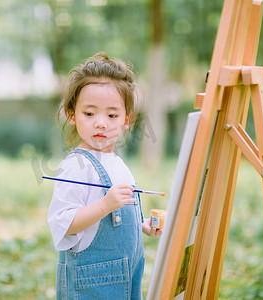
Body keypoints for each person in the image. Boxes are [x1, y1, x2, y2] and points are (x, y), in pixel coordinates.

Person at [47, 52, 161, 299]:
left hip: (128, 274)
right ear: (72, 115)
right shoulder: (76, 166)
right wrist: (105, 204)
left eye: (112, 115)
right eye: (89, 114)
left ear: (126, 121)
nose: (101, 123)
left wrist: (143, 226)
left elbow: (118, 217)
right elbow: (63, 223)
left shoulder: (118, 164)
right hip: (93, 282)